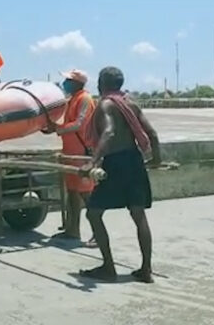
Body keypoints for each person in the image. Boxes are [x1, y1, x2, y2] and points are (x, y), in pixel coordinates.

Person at [79, 66, 161, 284]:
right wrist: (157, 159)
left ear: (102, 83)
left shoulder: (106, 104)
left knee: (93, 214)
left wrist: (93, 161)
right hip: (134, 160)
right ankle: (146, 270)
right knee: (139, 215)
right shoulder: (130, 103)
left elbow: (109, 132)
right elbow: (151, 133)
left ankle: (108, 267)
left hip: (115, 163)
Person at [43, 70, 97, 247]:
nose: (65, 82)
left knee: (87, 194)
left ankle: (98, 233)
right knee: (73, 193)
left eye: (68, 80)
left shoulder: (84, 99)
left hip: (81, 153)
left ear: (77, 83)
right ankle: (72, 230)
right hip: (70, 152)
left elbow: (79, 123)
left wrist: (58, 129)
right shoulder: (73, 99)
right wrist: (54, 127)